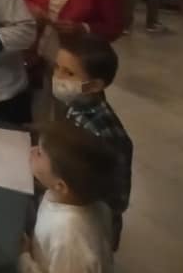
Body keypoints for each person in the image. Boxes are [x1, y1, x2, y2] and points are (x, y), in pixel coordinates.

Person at [54, 36, 132, 249]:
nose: (57, 77)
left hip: (89, 227)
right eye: (56, 67)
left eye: (69, 73)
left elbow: (117, 198)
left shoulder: (103, 134)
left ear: (95, 84)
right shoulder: (74, 103)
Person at [19, 122, 116, 273]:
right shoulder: (92, 203)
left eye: (39, 153)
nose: (31, 150)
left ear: (61, 185)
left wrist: (24, 259)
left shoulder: (68, 241)